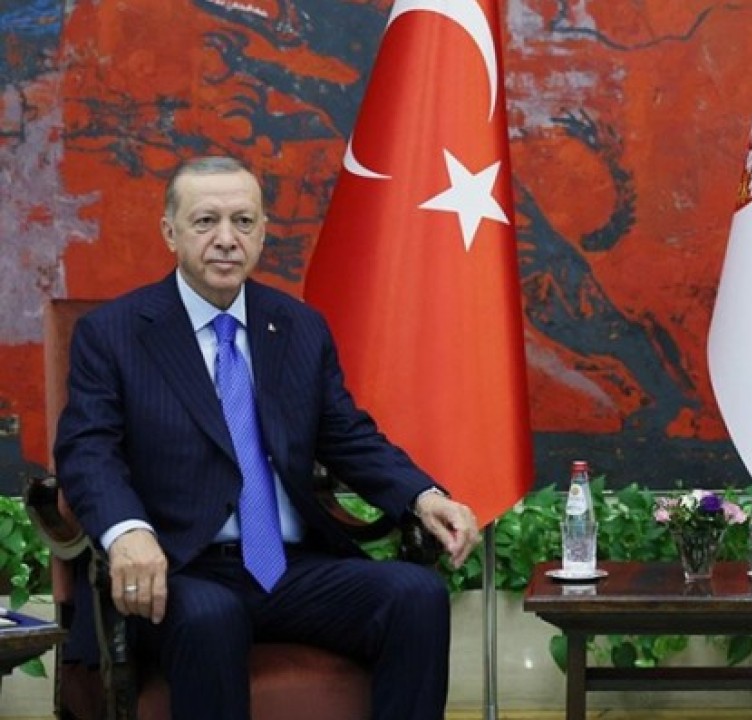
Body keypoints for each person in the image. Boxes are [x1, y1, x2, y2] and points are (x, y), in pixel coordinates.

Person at [54, 155, 481, 720]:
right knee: (213, 615)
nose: (226, 239)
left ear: (262, 233)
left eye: (243, 222)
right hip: (180, 567)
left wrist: (423, 496)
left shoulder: (298, 326)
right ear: (171, 233)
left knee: (415, 596)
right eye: (206, 221)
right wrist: (127, 533)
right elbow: (88, 451)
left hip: (291, 569)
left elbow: (347, 435)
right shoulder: (114, 334)